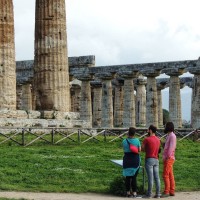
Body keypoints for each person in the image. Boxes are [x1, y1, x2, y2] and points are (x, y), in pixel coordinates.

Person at [141, 125, 161, 198]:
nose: (147, 131)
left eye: (148, 130)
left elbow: (142, 149)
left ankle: (149, 194)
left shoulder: (147, 139)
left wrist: (147, 149)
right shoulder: (158, 139)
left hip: (149, 159)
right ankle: (158, 194)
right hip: (156, 159)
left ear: (151, 130)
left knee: (150, 177)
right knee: (157, 177)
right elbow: (159, 150)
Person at [122, 127, 141, 198]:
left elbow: (124, 149)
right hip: (135, 160)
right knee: (134, 177)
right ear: (134, 133)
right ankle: (135, 193)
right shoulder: (137, 140)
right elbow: (139, 150)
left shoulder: (124, 141)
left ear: (128, 132)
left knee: (127, 177)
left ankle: (128, 192)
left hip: (127, 159)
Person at [161, 122, 177, 198]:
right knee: (170, 175)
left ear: (168, 127)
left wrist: (167, 157)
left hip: (169, 158)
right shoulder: (169, 135)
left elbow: (171, 148)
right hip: (168, 157)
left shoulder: (172, 136)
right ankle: (172, 191)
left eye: (166, 126)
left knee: (165, 175)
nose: (165, 127)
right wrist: (162, 143)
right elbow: (167, 146)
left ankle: (167, 191)